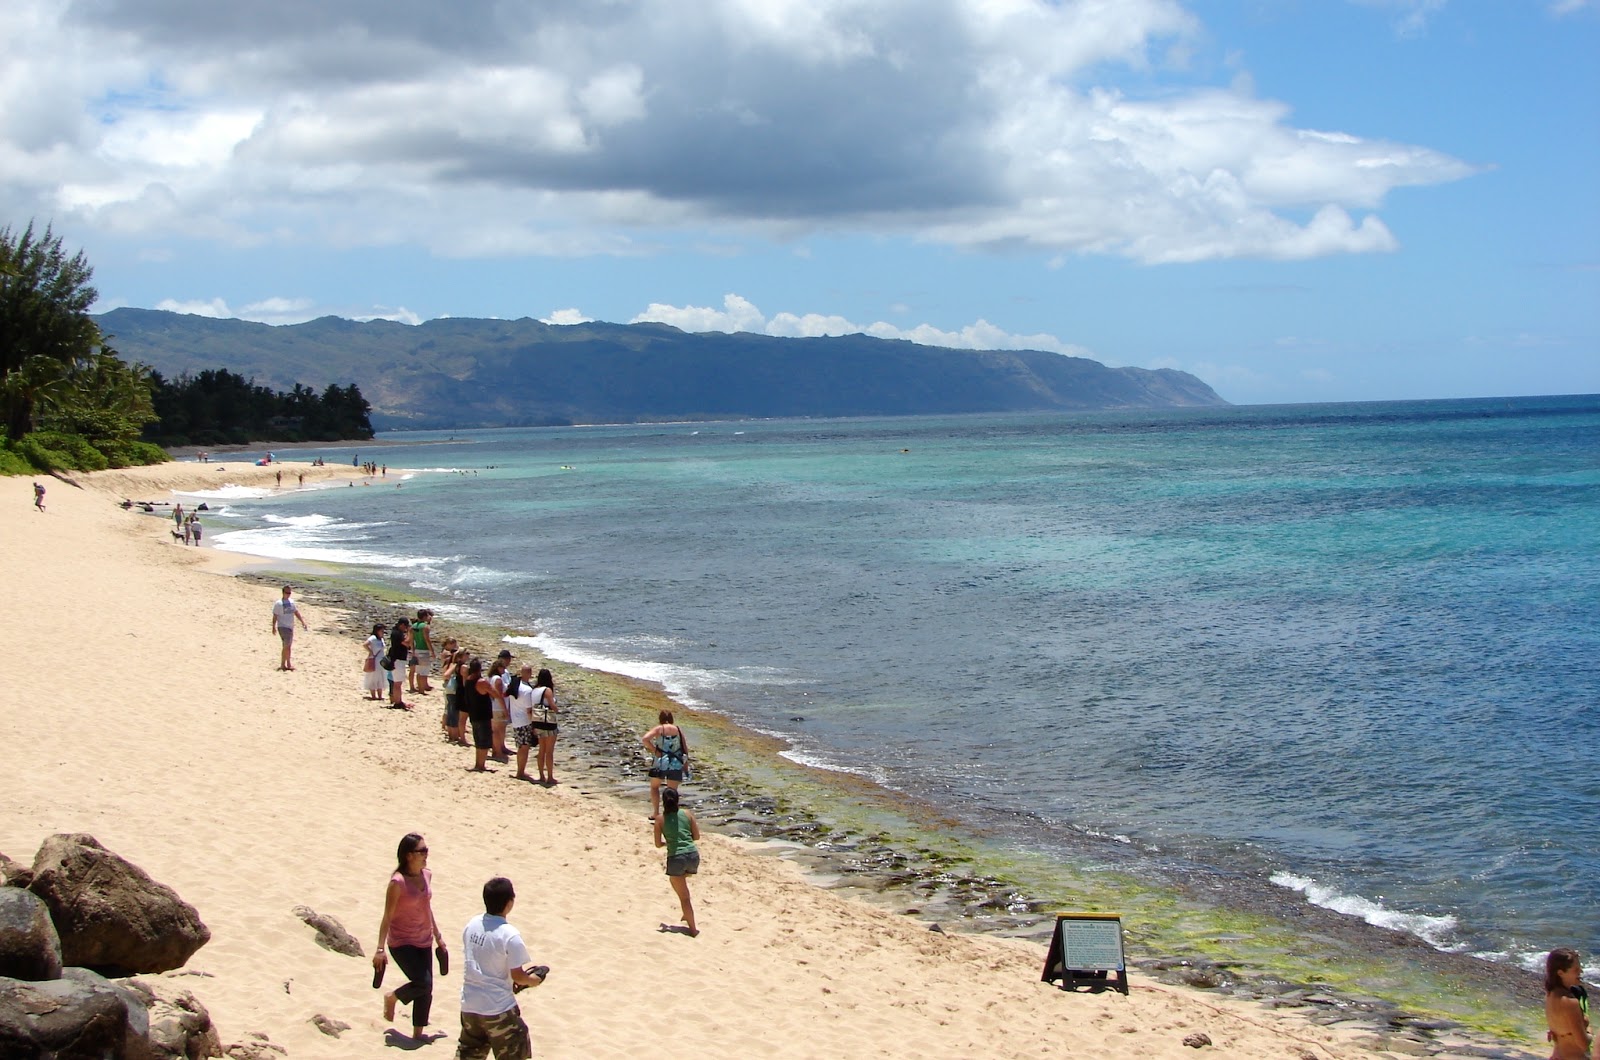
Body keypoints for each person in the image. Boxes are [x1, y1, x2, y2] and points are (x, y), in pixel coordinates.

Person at [457, 877, 545, 1060]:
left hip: (470, 1006)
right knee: (516, 1047)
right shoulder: (509, 935)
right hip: (498, 1009)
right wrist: (535, 980)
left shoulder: (472, 924)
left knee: (468, 1053)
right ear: (509, 903)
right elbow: (519, 976)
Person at [373, 834, 445, 1043]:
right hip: (402, 942)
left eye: (426, 850)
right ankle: (392, 997)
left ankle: (418, 1034)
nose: (425, 855)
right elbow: (387, 915)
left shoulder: (427, 875)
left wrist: (438, 937)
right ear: (408, 855)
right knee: (422, 982)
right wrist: (379, 949)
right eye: (421, 851)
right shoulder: (398, 882)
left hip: (424, 939)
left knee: (427, 988)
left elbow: (427, 908)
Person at [652, 787, 700, 937]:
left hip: (676, 858)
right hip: (693, 855)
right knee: (682, 882)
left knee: (684, 897)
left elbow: (658, 844)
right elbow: (696, 837)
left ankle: (692, 929)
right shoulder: (687, 814)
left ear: (663, 802)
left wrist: (670, 843)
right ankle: (686, 915)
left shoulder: (659, 819)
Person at [1545, 948, 1592, 1060]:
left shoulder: (1550, 995)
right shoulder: (1570, 1003)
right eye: (1576, 969)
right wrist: (1589, 1030)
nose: (1581, 971)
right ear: (1561, 973)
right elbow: (1584, 1044)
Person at [641, 710, 689, 820]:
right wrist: (686, 763)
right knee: (672, 791)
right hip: (675, 762)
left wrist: (654, 750)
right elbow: (685, 747)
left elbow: (645, 739)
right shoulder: (678, 729)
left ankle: (656, 813)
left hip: (661, 762)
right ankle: (670, 814)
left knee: (654, 787)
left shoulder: (659, 729)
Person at [461, 658, 494, 771]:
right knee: (484, 742)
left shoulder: (468, 680)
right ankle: (481, 765)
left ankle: (478, 764)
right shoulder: (481, 682)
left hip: (474, 714)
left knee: (478, 741)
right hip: (483, 714)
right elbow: (495, 693)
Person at [505, 665, 537, 782]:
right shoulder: (527, 690)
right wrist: (534, 724)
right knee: (524, 748)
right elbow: (529, 710)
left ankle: (520, 770)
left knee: (520, 747)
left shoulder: (515, 685)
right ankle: (520, 772)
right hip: (525, 721)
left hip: (516, 720)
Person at [530, 668, 559, 785]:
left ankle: (541, 775)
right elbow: (552, 705)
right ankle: (550, 776)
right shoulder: (547, 690)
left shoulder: (534, 690)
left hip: (537, 721)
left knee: (541, 750)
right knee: (549, 751)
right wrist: (557, 709)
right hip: (548, 722)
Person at [272, 585, 309, 670]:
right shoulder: (278, 604)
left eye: (289, 593)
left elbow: (296, 612)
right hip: (282, 626)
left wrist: (302, 622)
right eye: (287, 593)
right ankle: (283, 664)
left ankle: (288, 664)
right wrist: (273, 627)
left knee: (288, 646)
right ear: (283, 593)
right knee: (286, 645)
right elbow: (275, 616)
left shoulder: (291, 602)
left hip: (290, 627)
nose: (288, 594)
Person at [387, 618, 413, 709]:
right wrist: (410, 633)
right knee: (397, 683)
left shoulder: (396, 633)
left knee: (397, 682)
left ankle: (398, 701)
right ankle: (398, 702)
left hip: (397, 659)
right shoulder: (397, 633)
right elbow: (407, 643)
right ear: (402, 625)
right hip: (398, 660)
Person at [410, 609, 434, 695]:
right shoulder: (425, 626)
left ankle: (420, 688)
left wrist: (413, 650)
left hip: (417, 649)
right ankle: (422, 689)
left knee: (419, 671)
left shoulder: (413, 626)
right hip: (424, 650)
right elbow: (427, 640)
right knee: (424, 671)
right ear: (424, 616)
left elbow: (411, 641)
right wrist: (432, 652)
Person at [362, 623, 389, 701]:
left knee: (381, 676)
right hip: (375, 659)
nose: (383, 632)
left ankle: (380, 695)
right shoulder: (373, 638)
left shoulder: (381, 638)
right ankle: (373, 695)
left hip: (381, 659)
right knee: (373, 676)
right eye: (381, 630)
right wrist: (371, 652)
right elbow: (365, 644)